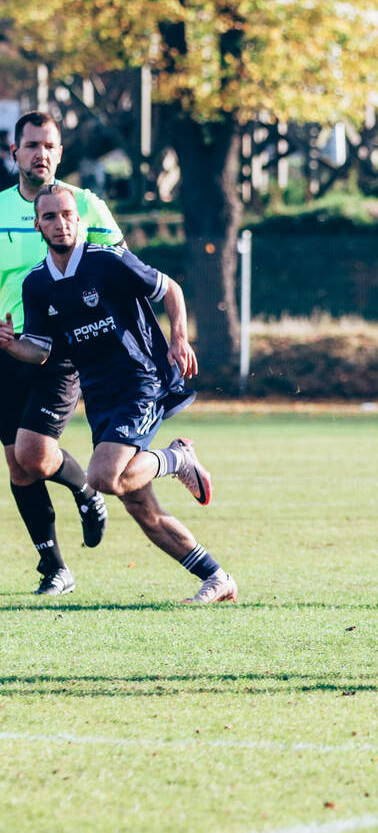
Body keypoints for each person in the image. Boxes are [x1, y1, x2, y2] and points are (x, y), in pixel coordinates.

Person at [0, 183, 237, 604]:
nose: (61, 223)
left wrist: (179, 339)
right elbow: (40, 350)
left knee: (104, 478)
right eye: (50, 217)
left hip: (140, 381)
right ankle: (216, 577)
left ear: (80, 220)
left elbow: (170, 289)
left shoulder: (107, 260)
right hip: (99, 396)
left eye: (68, 215)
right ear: (37, 225)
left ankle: (178, 458)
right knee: (135, 499)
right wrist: (10, 344)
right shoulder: (37, 283)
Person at [0, 111, 117, 595]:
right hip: (8, 348)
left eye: (49, 146)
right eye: (32, 145)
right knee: (18, 464)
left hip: (62, 351)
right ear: (15, 153)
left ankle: (85, 487)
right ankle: (54, 568)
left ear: (61, 153)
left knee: (35, 454)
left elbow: (119, 270)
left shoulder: (84, 205)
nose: (40, 154)